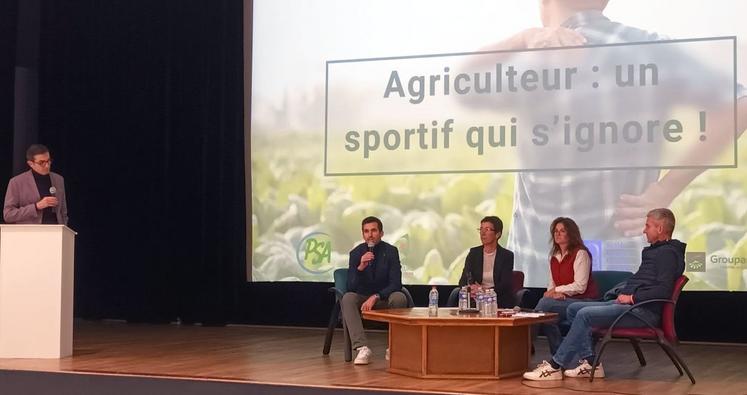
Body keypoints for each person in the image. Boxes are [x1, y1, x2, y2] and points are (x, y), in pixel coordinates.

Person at [466, 0, 746, 289]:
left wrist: (523, 40)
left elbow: (463, 80)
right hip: (621, 275)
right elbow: (738, 104)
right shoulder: (648, 48)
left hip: (535, 277)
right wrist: (666, 188)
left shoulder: (533, 58)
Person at [523, 208, 685, 381]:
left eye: (648, 226)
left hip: (641, 311)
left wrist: (632, 297)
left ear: (660, 229)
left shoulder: (667, 254)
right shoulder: (654, 251)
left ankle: (556, 366)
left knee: (584, 313)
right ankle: (591, 363)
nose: (644, 230)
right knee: (574, 309)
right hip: (626, 305)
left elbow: (663, 290)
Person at [341, 216, 407, 365]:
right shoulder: (356, 253)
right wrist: (360, 267)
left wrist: (377, 296)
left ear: (381, 233)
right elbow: (350, 287)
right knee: (348, 298)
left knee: (399, 297)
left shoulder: (391, 251)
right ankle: (362, 348)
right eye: (366, 231)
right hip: (363, 299)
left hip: (384, 298)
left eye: (373, 231)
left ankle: (394, 346)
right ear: (362, 234)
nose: (370, 235)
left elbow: (396, 283)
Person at [532, 217, 598, 354]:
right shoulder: (554, 256)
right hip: (565, 300)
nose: (557, 234)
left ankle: (527, 344)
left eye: (562, 231)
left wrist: (557, 290)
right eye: (555, 231)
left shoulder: (581, 253)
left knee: (543, 307)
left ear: (571, 234)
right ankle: (559, 353)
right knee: (548, 315)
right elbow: (552, 283)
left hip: (585, 301)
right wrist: (553, 293)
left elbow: (580, 286)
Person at [3, 144, 68, 225]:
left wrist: (64, 228)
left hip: (55, 233)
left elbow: (63, 212)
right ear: (30, 163)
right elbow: (8, 215)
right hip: (29, 233)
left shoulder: (58, 179)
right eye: (42, 163)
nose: (47, 165)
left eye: (48, 161)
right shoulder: (17, 182)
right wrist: (36, 206)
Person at [458, 216, 514, 308]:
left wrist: (484, 290)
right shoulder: (473, 253)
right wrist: (470, 289)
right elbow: (463, 281)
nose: (482, 233)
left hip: (496, 299)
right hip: (474, 299)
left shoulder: (506, 256)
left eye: (487, 229)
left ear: (497, 234)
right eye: (481, 229)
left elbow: (505, 285)